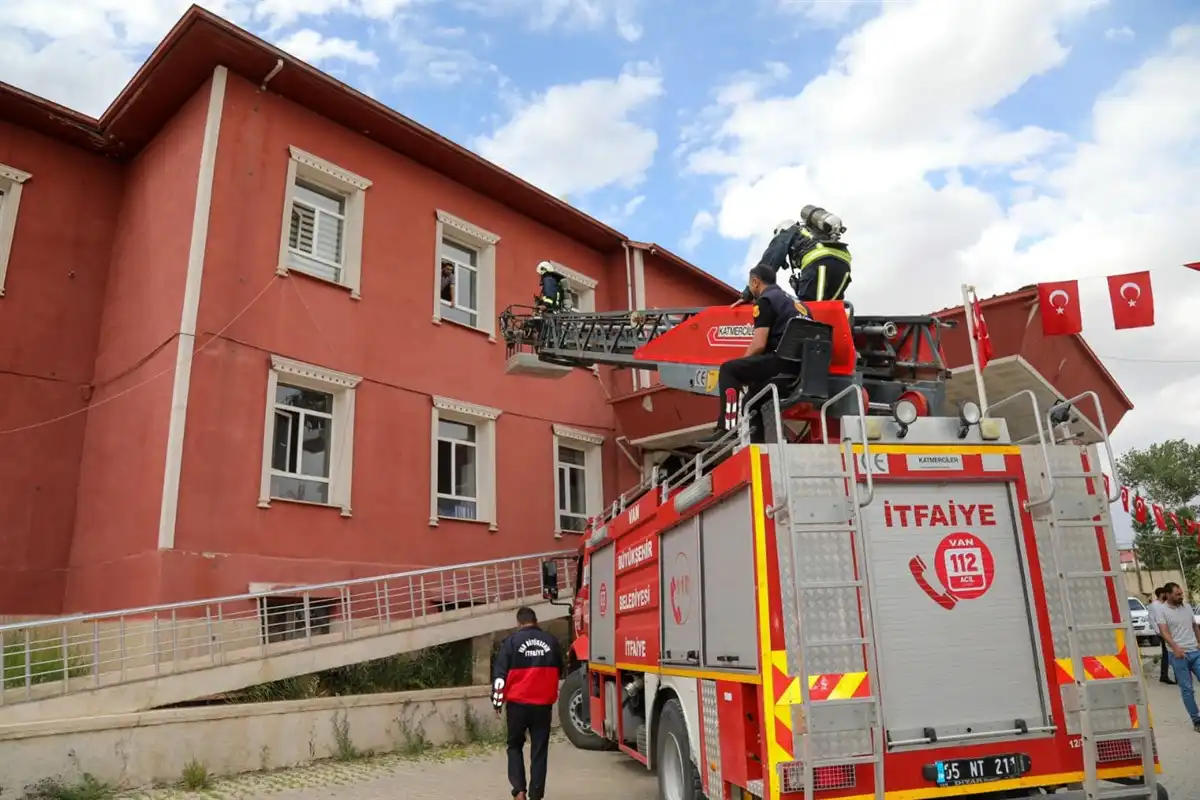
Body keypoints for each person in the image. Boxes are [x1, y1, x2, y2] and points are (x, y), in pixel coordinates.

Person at [704, 265, 807, 440]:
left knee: (729, 369)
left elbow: (758, 344)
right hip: (802, 368)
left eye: (750, 284)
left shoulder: (765, 301)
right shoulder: (796, 304)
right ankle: (758, 447)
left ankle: (726, 429)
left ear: (755, 281)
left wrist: (742, 366)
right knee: (751, 401)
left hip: (780, 362)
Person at [492, 607, 564, 800]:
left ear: (519, 623)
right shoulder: (552, 641)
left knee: (514, 746)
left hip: (517, 705)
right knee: (539, 750)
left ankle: (519, 790)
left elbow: (499, 677)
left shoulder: (511, 643)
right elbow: (560, 668)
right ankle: (536, 794)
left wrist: (497, 702)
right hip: (542, 705)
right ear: (536, 620)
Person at [750, 209, 852, 303]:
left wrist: (752, 290)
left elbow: (770, 260)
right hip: (844, 263)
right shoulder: (812, 233)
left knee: (809, 308)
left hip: (819, 261)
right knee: (830, 307)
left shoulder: (788, 232)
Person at [1156, 582, 1200, 731]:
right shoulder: (1161, 611)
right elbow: (1164, 631)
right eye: (1177, 594)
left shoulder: (1187, 607)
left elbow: (1194, 626)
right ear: (1168, 595)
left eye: (1181, 594)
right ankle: (1197, 720)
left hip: (1195, 651)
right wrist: (1175, 647)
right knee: (1187, 689)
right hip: (1178, 655)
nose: (1181, 596)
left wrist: (1199, 641)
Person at [1150, 586, 1176, 685]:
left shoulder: (1166, 604)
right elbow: (1152, 620)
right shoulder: (1154, 605)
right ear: (1161, 594)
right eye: (1165, 593)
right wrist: (1159, 632)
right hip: (1162, 633)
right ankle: (1164, 676)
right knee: (1167, 654)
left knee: (1171, 653)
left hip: (1171, 632)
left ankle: (1167, 675)